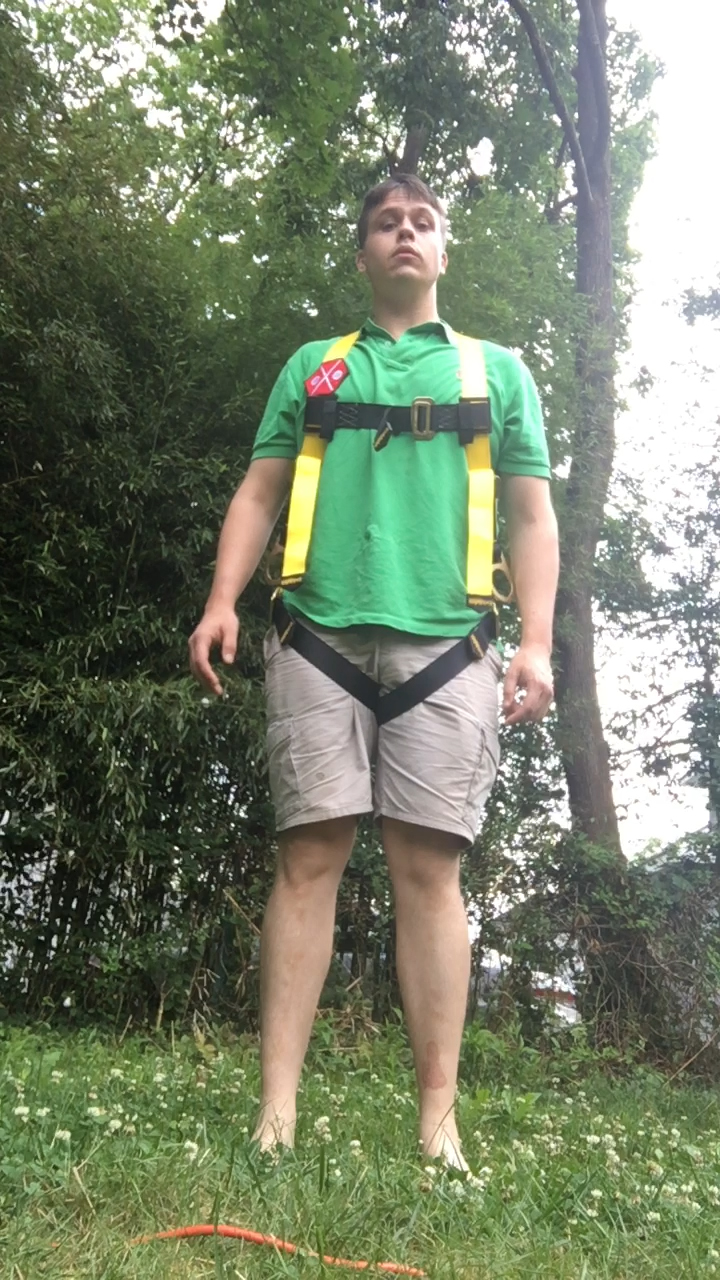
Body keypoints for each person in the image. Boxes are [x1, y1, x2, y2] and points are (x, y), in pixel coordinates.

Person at [189, 174, 558, 1170]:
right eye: (387, 223)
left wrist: (535, 641)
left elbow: (532, 516)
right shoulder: (315, 367)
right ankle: (275, 1116)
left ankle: (439, 1123)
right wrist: (222, 600)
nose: (405, 233)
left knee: (430, 872)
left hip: (451, 646)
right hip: (317, 636)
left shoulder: (496, 373)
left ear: (443, 252)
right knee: (306, 861)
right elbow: (260, 491)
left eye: (422, 223)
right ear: (362, 255)